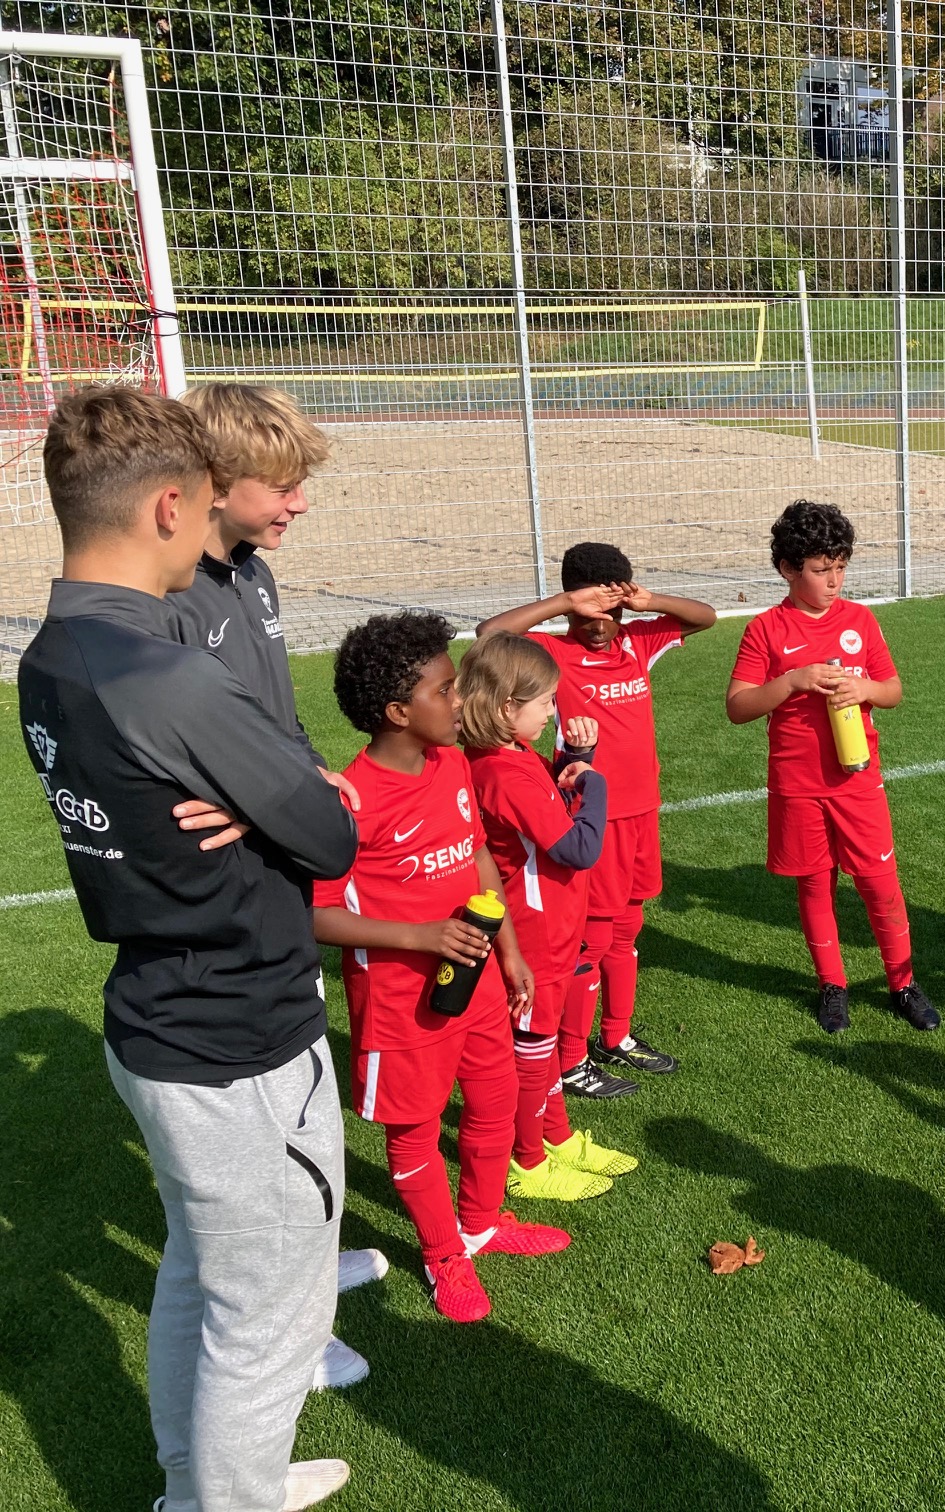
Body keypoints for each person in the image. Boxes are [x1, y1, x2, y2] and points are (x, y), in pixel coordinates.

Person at [17, 387, 358, 1510]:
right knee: (267, 1323)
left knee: (200, 1278)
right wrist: (279, 795)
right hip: (238, 1036)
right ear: (172, 506)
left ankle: (198, 1487)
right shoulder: (165, 672)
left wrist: (263, 791)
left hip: (161, 1014)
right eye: (210, 498)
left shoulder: (52, 652)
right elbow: (329, 832)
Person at [168, 378, 385, 1393]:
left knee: (304, 1090)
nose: (299, 502)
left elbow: (272, 714)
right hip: (225, 894)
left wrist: (308, 770)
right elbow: (173, 757)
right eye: (283, 484)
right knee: (256, 1126)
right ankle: (285, 1330)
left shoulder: (252, 576)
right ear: (215, 482)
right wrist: (260, 806)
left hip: (283, 850)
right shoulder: (170, 601)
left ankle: (311, 1258)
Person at [313, 612, 570, 1324]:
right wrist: (422, 936)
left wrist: (509, 949)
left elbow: (476, 855)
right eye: (446, 690)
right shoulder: (350, 801)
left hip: (478, 982)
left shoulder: (451, 763)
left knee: (494, 1101)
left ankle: (481, 1223)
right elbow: (316, 915)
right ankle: (443, 1254)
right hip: (402, 1004)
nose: (460, 701)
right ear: (399, 712)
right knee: (417, 1128)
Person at [476, 543, 719, 1096]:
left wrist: (647, 601)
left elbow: (705, 617)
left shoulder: (637, 641)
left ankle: (617, 1034)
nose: (601, 624)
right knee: (593, 939)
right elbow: (489, 635)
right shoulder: (551, 652)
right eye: (590, 613)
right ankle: (571, 1058)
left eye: (612, 612)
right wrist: (567, 602)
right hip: (592, 818)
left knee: (629, 928)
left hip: (643, 812)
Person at [726, 499, 939, 1035]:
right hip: (797, 785)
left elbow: (893, 690)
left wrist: (865, 689)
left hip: (857, 779)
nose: (835, 580)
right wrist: (792, 682)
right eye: (822, 570)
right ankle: (832, 985)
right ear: (787, 569)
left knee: (880, 885)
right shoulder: (765, 629)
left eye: (841, 567)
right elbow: (738, 706)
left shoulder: (860, 621)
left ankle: (903, 983)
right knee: (816, 885)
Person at [459, 632, 639, 1201]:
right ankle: (528, 1161)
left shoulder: (511, 756)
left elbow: (549, 809)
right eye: (544, 703)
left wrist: (573, 763)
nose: (552, 712)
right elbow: (577, 847)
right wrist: (595, 782)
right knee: (533, 1047)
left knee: (545, 1041)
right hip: (535, 933)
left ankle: (554, 1136)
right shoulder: (501, 771)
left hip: (553, 927)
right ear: (505, 707)